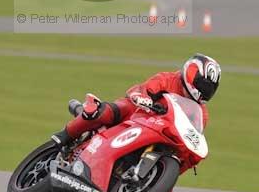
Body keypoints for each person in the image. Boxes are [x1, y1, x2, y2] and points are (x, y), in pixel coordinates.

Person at [52, 53, 221, 148]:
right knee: (104, 112)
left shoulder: (201, 113)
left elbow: (193, 137)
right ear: (192, 73)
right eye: (202, 85)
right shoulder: (168, 79)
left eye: (208, 89)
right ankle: (64, 135)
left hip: (159, 134)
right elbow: (143, 89)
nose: (203, 91)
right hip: (135, 114)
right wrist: (145, 100)